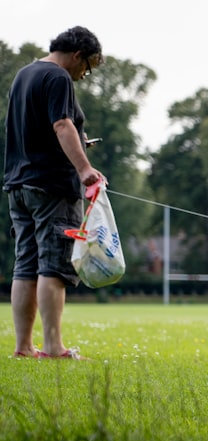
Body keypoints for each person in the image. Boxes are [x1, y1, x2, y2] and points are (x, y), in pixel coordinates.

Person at [4, 26, 104, 359]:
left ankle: (23, 347)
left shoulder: (24, 74)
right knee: (53, 265)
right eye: (87, 67)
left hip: (18, 184)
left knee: (25, 264)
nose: (83, 75)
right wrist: (85, 169)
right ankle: (53, 347)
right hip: (50, 187)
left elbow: (39, 127)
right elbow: (61, 125)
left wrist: (78, 142)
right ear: (77, 55)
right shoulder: (58, 77)